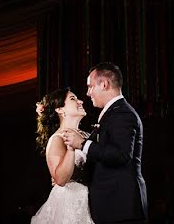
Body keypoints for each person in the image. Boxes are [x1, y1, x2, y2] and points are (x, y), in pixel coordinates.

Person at [61, 62, 148, 223]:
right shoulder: (112, 112)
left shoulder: (122, 113)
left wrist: (82, 144)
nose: (87, 93)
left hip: (120, 207)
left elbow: (121, 155)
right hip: (111, 206)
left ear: (104, 84)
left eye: (90, 87)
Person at [31, 87, 94, 223]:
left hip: (92, 201)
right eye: (73, 99)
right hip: (70, 204)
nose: (81, 101)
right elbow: (60, 179)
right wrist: (71, 148)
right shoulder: (57, 139)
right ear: (60, 109)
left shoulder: (88, 136)